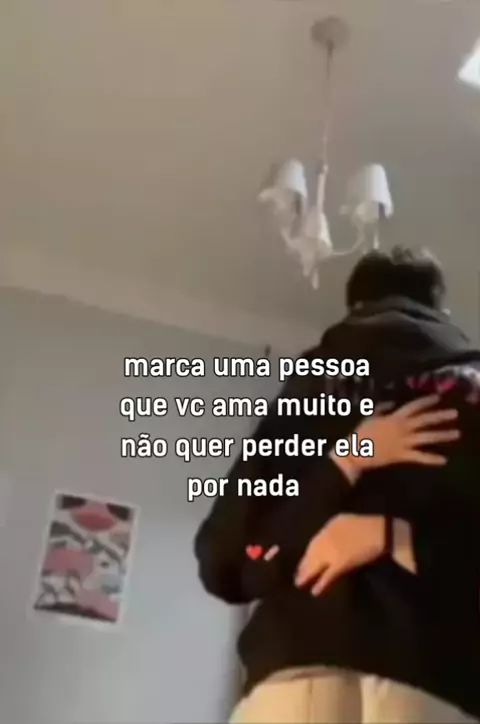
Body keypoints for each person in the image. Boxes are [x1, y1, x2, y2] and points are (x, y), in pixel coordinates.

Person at [194, 247, 480, 723]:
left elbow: (225, 559)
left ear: (354, 308)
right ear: (442, 312)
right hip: (435, 675)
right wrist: (399, 537)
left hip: (296, 670)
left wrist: (343, 464)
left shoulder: (311, 386)